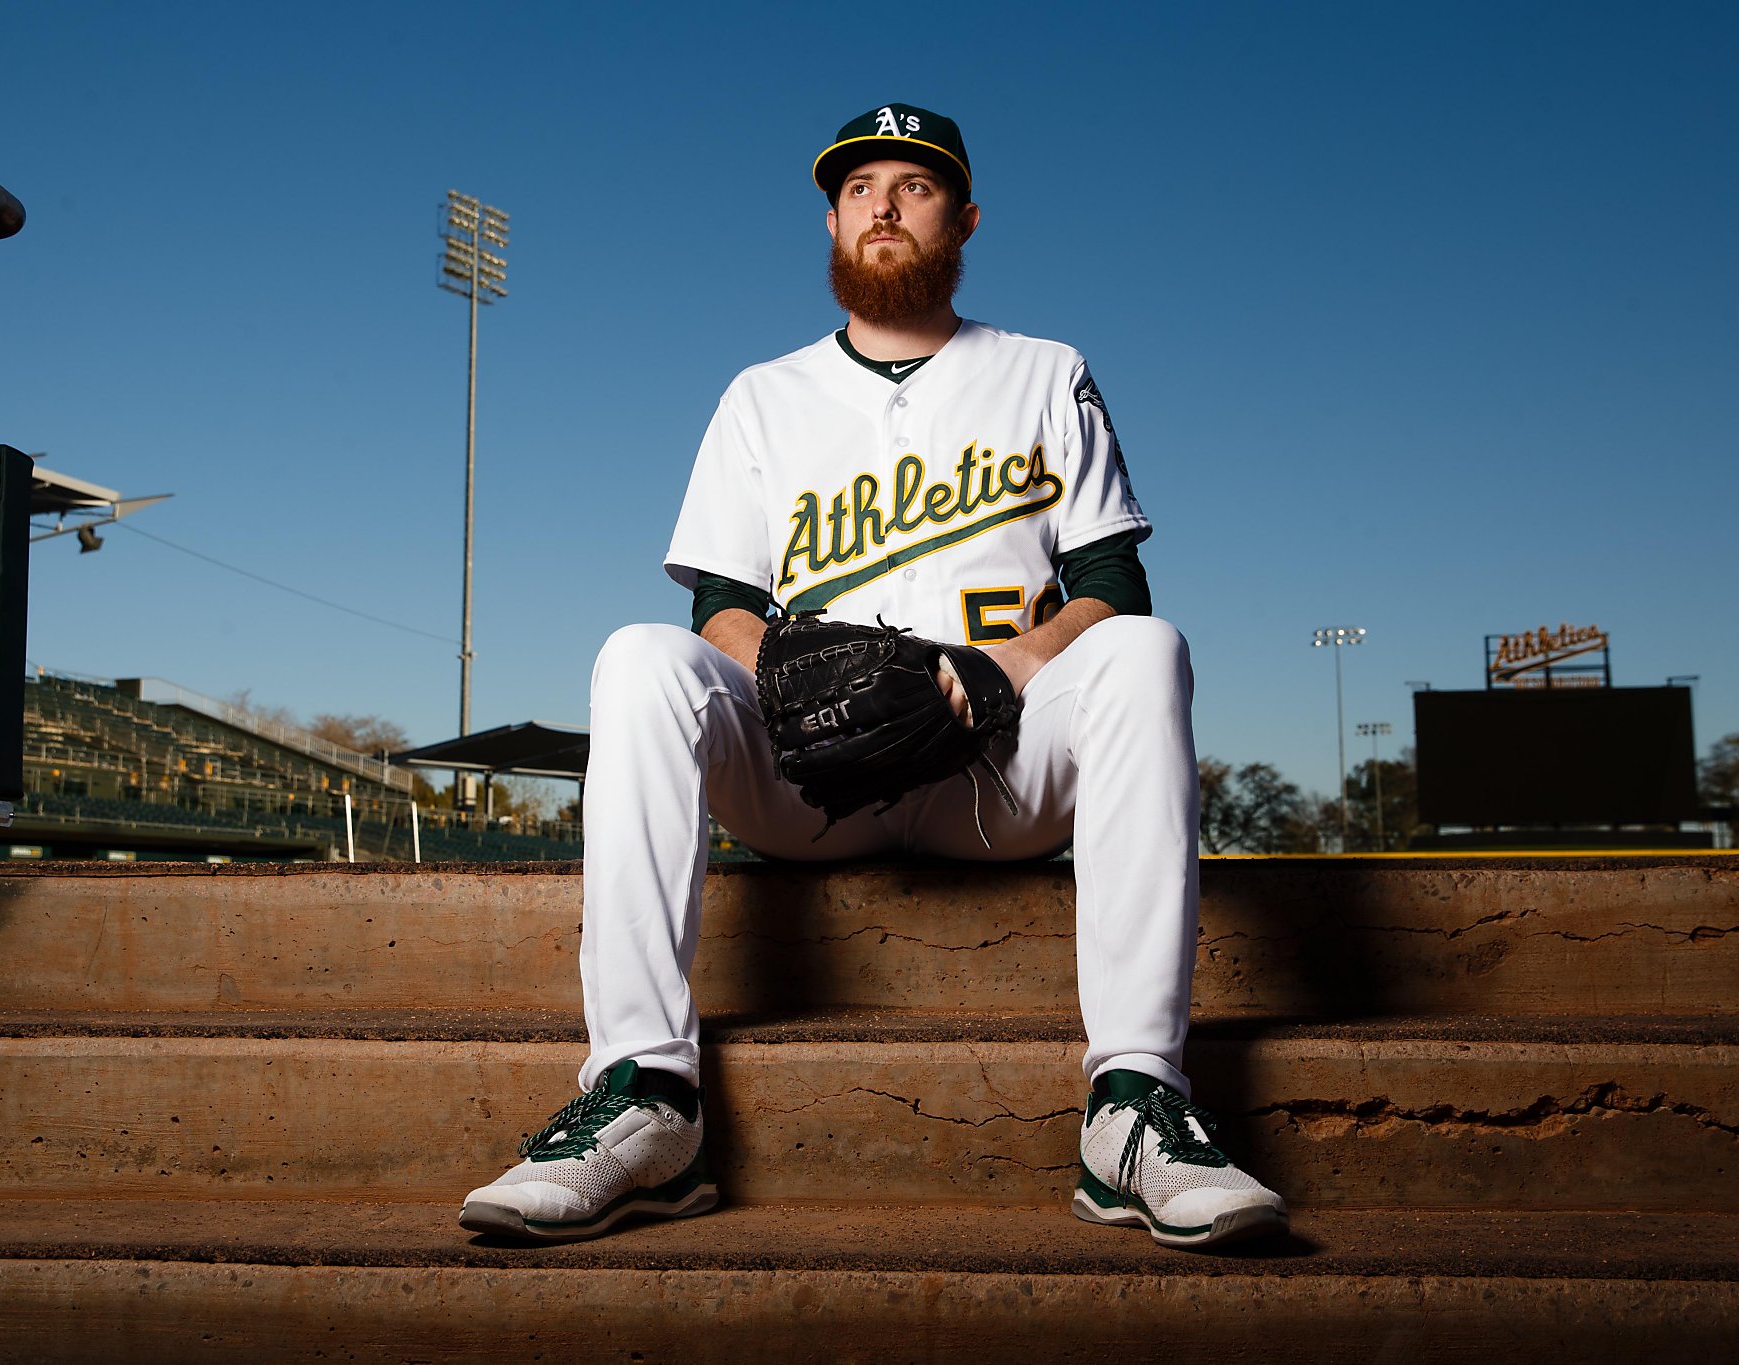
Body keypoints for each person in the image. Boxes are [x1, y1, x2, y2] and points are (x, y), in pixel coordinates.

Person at [460, 103, 1286, 1250]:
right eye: (858, 189)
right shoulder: (763, 394)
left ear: (963, 218)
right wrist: (791, 679)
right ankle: (646, 1097)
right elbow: (720, 606)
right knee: (640, 657)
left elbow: (1110, 582)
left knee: (1147, 649)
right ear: (834, 220)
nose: (882, 205)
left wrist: (1007, 669)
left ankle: (1134, 1103)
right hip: (814, 780)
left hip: (995, 779)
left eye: (913, 183)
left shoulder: (1046, 372)